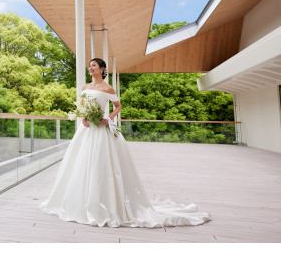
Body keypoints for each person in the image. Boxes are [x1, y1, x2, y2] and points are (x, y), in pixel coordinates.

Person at [38, 57, 211, 228]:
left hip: (100, 130)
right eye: (89, 66)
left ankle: (103, 203)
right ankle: (79, 201)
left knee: (100, 165)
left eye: (94, 66)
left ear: (102, 69)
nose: (90, 68)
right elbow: (82, 104)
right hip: (86, 130)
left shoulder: (108, 88)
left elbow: (118, 106)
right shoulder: (85, 87)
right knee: (80, 163)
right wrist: (83, 117)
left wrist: (108, 118)